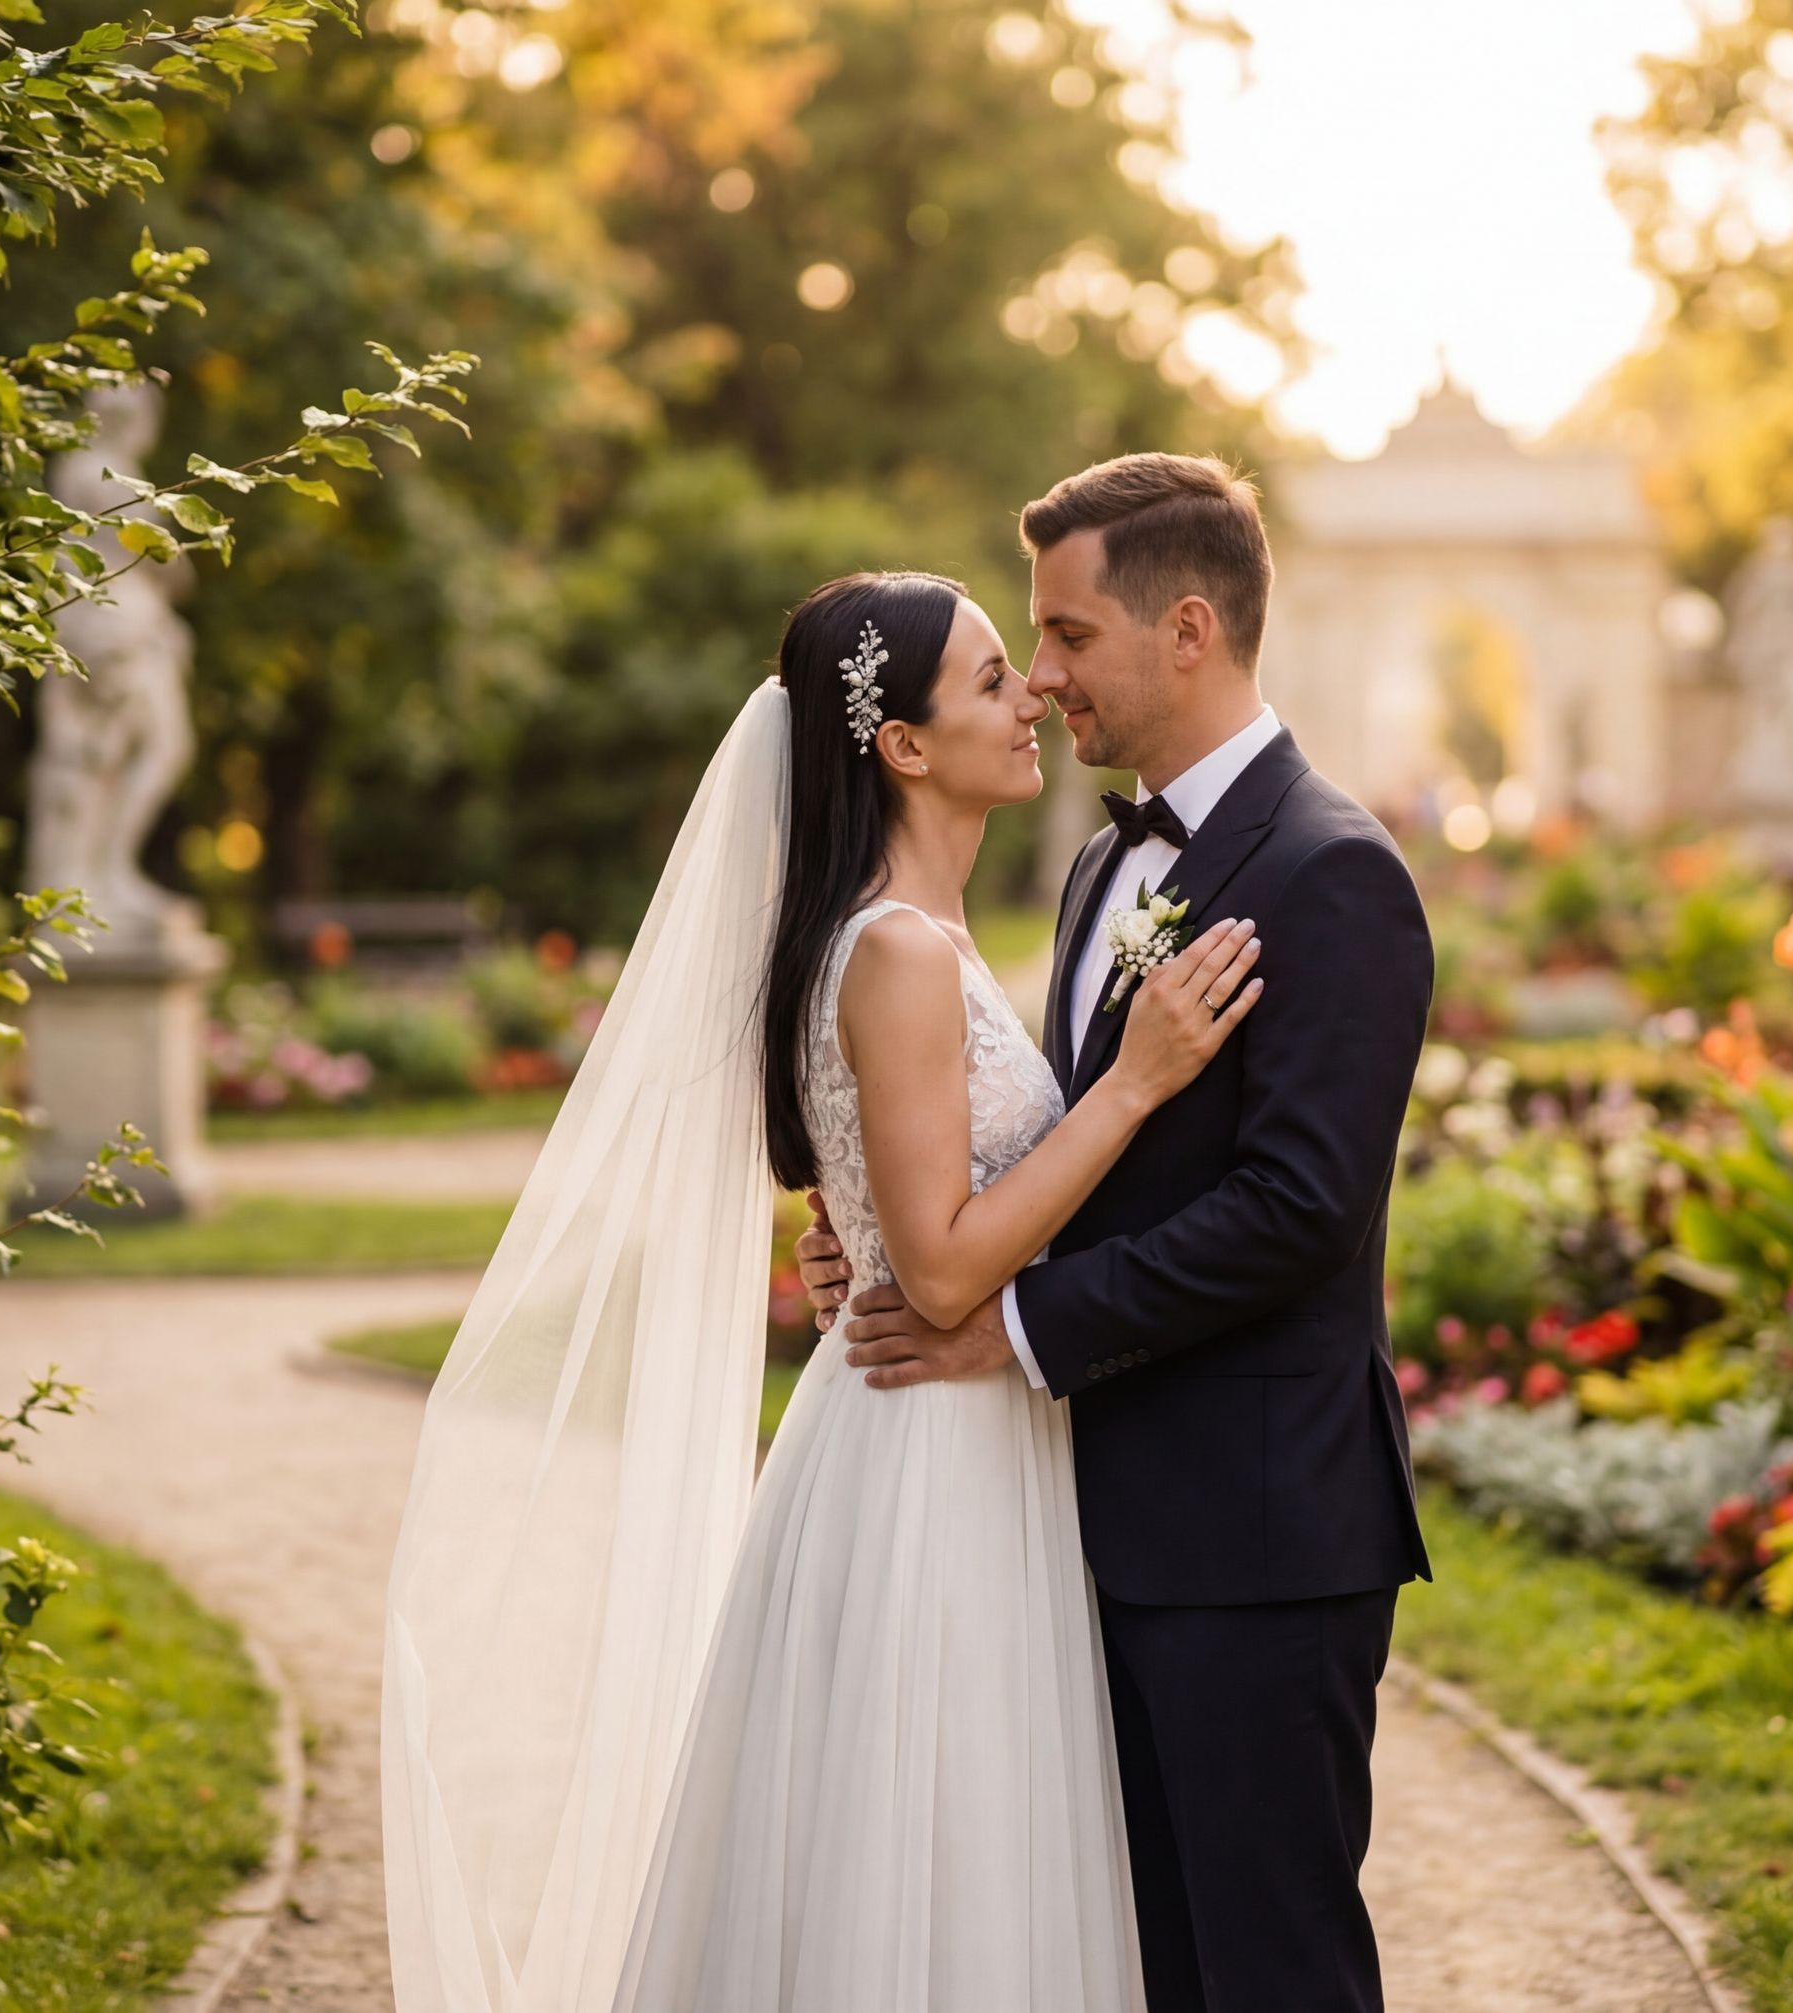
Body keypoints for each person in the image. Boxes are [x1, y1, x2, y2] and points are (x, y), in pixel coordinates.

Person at [383, 561, 1265, 2012]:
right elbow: (944, 1263)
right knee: (940, 1842)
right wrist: (1134, 1082)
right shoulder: (899, 949)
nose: (1032, 693)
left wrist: (857, 1231)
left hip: (944, 1426)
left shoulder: (899, 935)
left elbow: (892, 1207)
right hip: (937, 1453)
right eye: (993, 677)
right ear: (903, 744)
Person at [806, 453, 1438, 2013]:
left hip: (1255, 1535)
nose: (1043, 674)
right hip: (1078, 1520)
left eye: (1070, 634)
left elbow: (1295, 1212)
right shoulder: (1103, 864)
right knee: (1138, 1965)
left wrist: (1009, 1325)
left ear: (1190, 629)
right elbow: (1066, 1149)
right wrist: (886, 1244)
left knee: (1272, 1968)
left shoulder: (1336, 872)